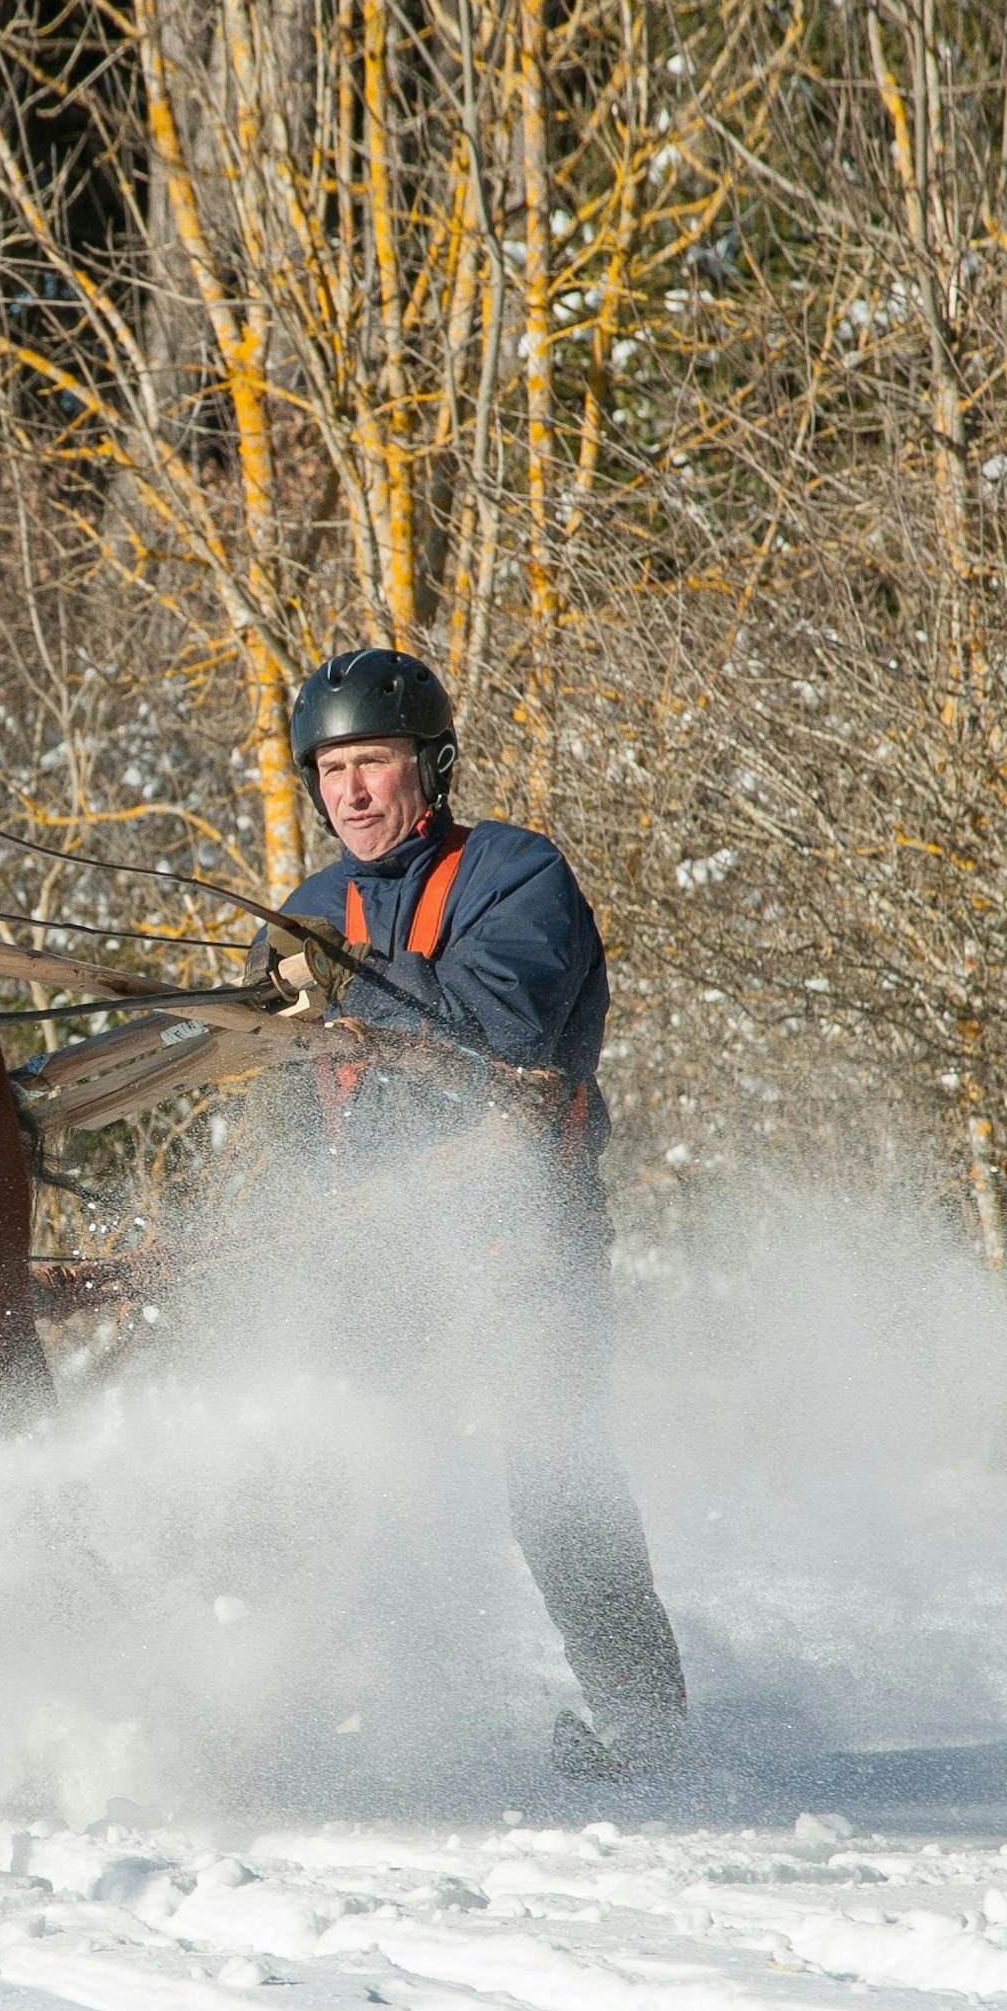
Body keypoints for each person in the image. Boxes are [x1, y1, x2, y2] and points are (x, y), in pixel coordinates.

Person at [270, 647, 689, 1772]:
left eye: (373, 763)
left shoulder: (517, 875)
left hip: (525, 1236)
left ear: (432, 766)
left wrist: (340, 980)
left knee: (556, 1487)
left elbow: (496, 1031)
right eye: (330, 769)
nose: (349, 793)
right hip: (378, 1252)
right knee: (318, 1473)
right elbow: (286, 1115)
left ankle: (648, 1733)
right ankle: (293, 1724)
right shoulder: (310, 909)